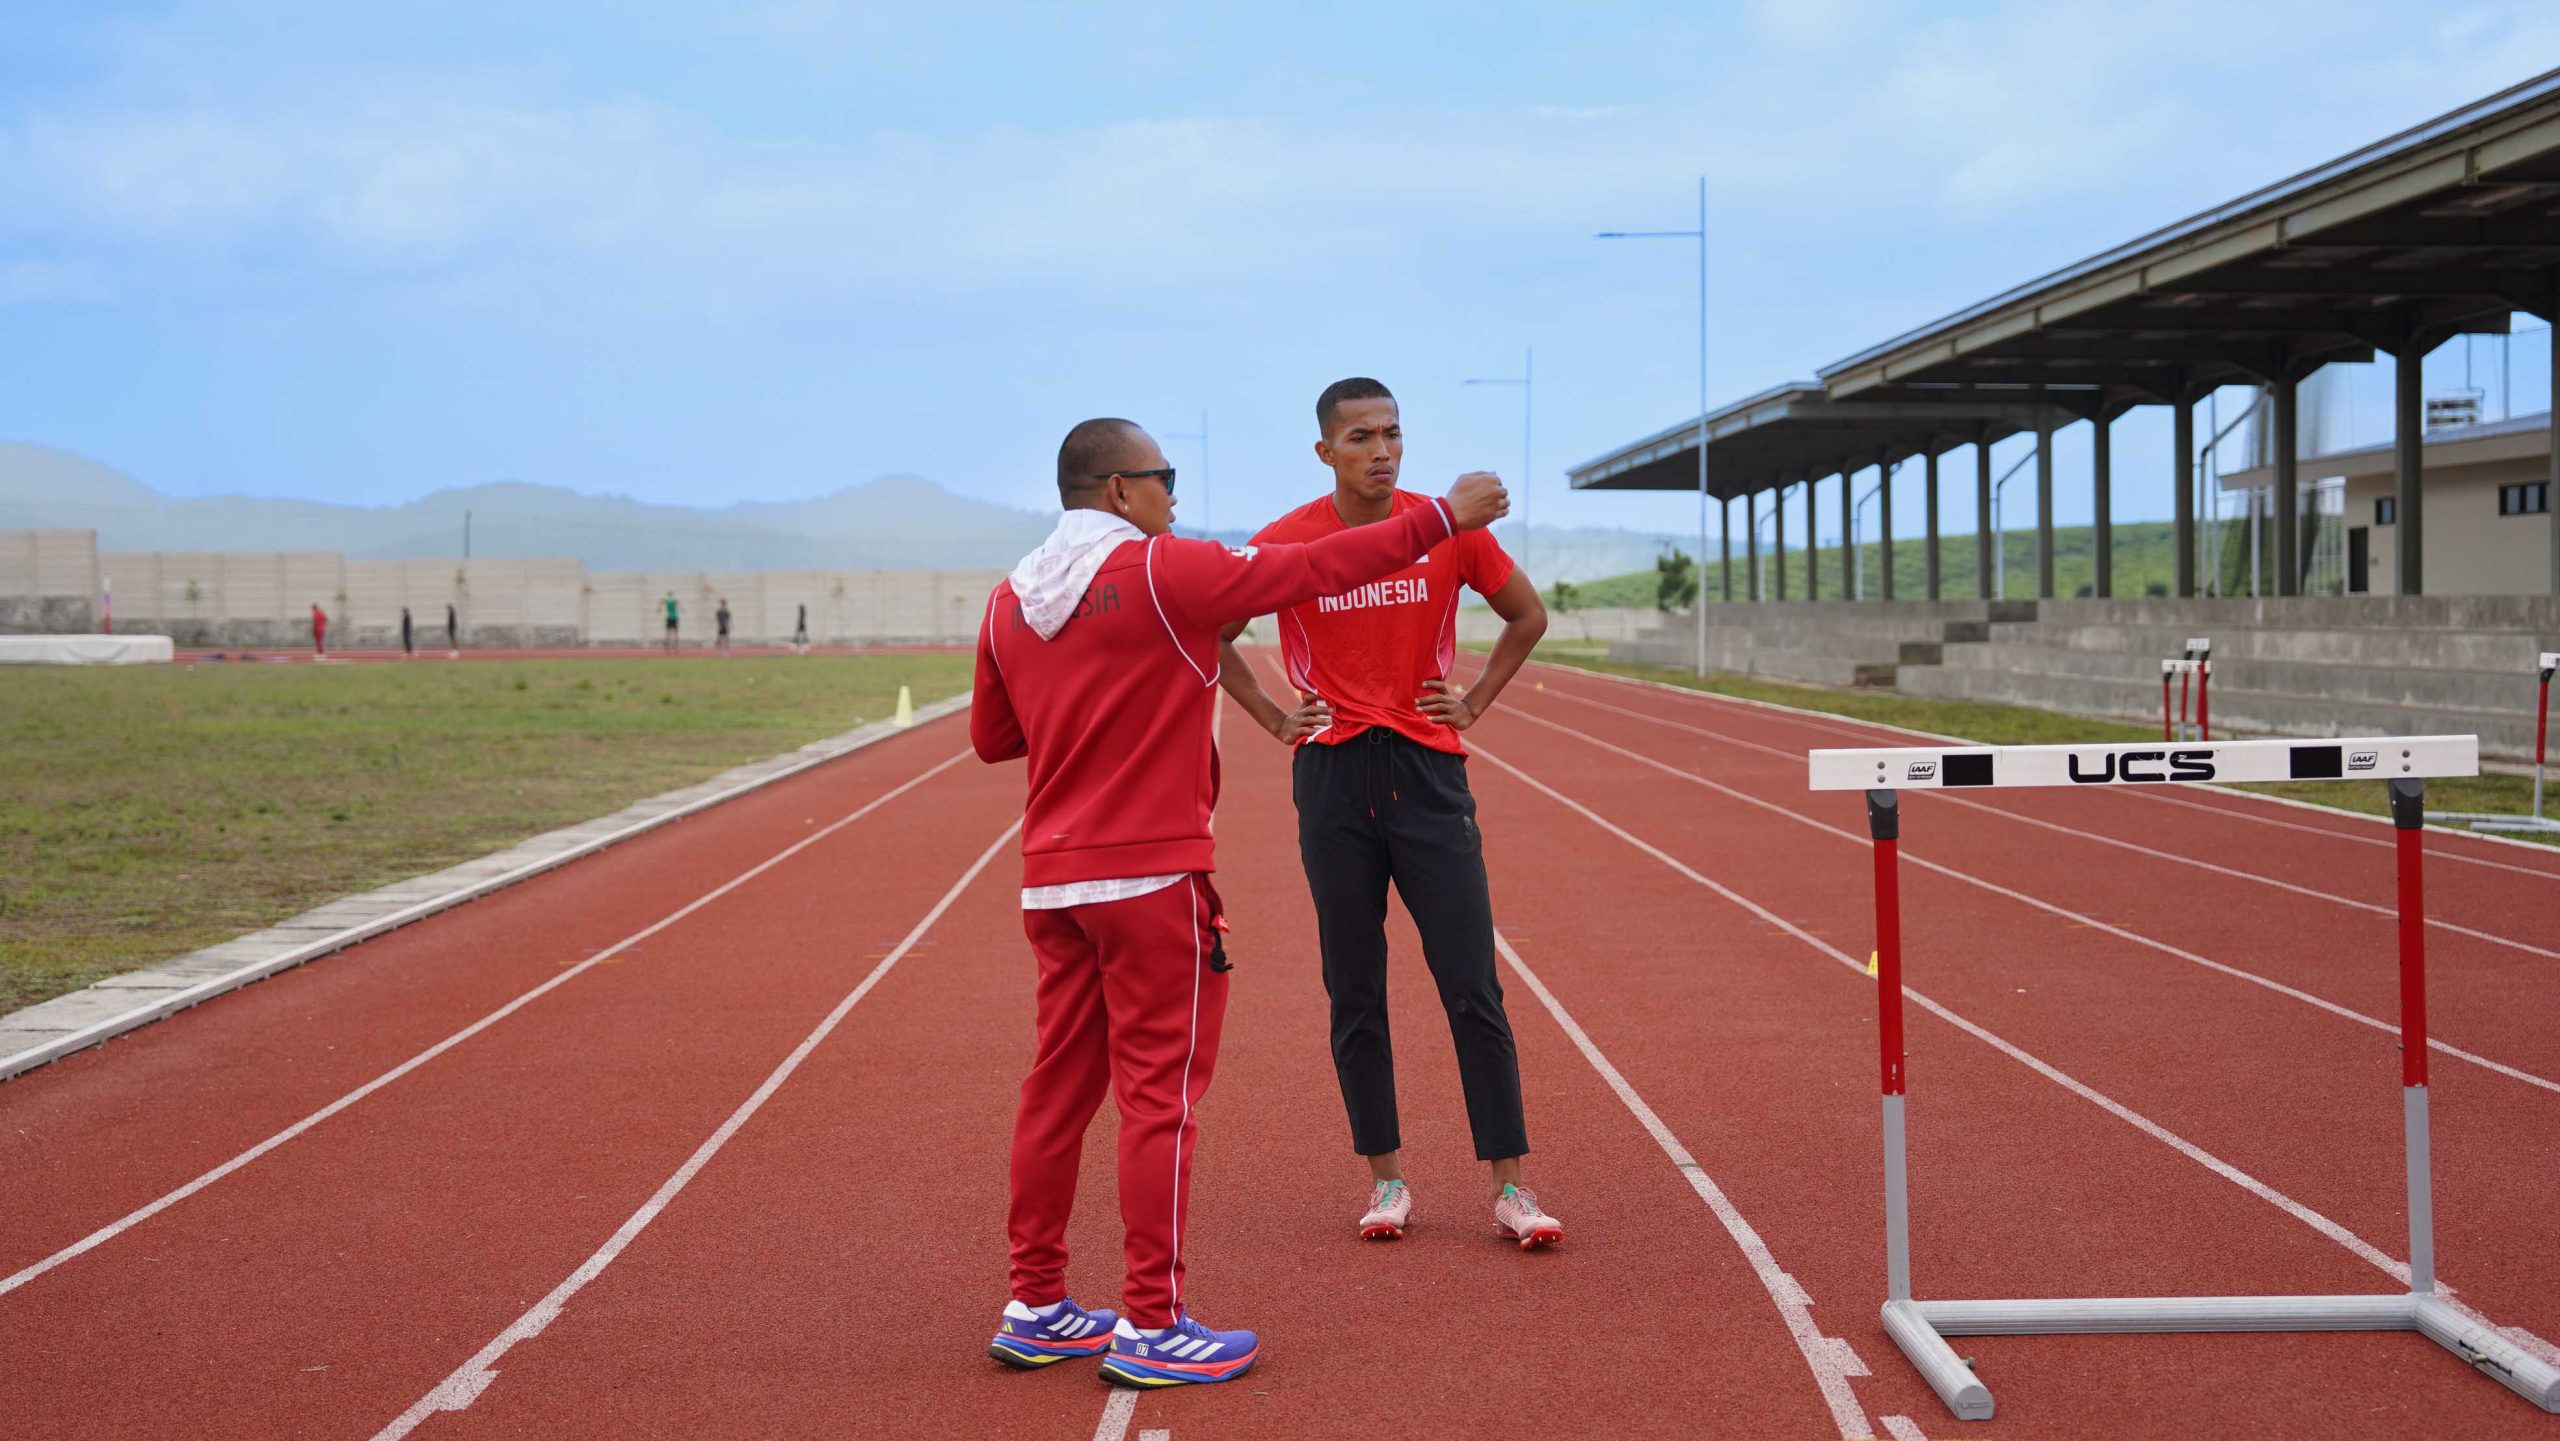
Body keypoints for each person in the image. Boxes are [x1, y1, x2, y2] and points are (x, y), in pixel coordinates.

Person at [974, 417, 1506, 1388]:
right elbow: (1312, 568)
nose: (1175, 496)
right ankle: (1152, 1322)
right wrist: (1441, 517)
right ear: (1120, 491)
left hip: (1052, 880)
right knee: (1158, 1102)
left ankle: (1037, 1304)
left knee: (1055, 1091)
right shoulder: (1165, 569)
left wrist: (1085, 700)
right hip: (1152, 877)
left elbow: (993, 736)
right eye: (1163, 477)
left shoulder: (1011, 596)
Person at [1216, 376, 1561, 1250]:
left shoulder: (1448, 530)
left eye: (1393, 433)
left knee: (1471, 981)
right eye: (1361, 436)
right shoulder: (1288, 540)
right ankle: (1388, 1180)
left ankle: (1511, 1187)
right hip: (1332, 774)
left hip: (1426, 773)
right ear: (1325, 450)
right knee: (1355, 984)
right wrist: (1273, 718)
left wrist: (1474, 700)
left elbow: (1527, 615)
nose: (1382, 450)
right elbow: (1212, 626)